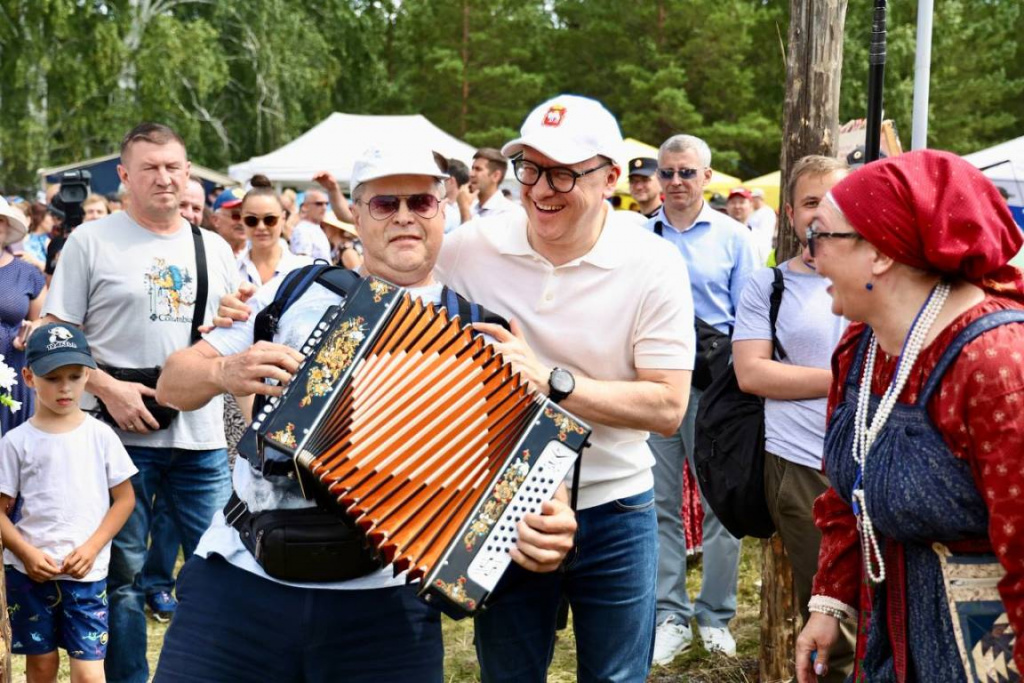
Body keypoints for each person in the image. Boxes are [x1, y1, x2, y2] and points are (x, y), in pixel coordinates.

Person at [150, 143, 577, 682]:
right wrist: (221, 373)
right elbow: (171, 383)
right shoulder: (293, 290)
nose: (404, 217)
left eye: (421, 202)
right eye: (384, 204)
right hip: (240, 581)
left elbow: (534, 472)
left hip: (386, 608)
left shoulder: (482, 333)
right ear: (354, 212)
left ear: (442, 210)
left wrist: (555, 521)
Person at [437, 94, 695, 683]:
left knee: (616, 677)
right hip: (506, 503)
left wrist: (552, 383)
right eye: (529, 168)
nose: (540, 188)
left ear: (609, 178)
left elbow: (667, 407)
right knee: (508, 672)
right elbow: (395, 278)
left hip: (617, 503)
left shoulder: (652, 263)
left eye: (562, 173)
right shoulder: (469, 250)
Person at [794, 150, 1024, 682]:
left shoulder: (995, 365)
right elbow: (850, 496)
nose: (811, 257)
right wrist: (830, 602)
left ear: (879, 252)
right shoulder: (862, 347)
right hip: (891, 646)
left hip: (987, 659)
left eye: (820, 236)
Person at [41, 122, 238, 683]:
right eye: (150, 167)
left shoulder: (215, 246)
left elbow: (232, 335)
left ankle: (201, 672)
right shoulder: (90, 242)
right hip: (115, 440)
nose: (164, 177)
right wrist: (108, 388)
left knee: (217, 568)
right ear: (124, 176)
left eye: (174, 166)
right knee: (121, 576)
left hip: (199, 440)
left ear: (189, 173)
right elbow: (56, 332)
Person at [731, 155, 854, 682]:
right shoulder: (769, 286)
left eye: (835, 201)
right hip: (802, 467)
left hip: (874, 462)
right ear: (788, 213)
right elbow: (752, 374)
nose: (822, 213)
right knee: (830, 616)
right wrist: (843, 380)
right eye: (810, 202)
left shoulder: (876, 272)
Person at [644, 134, 758, 664]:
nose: (675, 183)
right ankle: (670, 613)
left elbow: (751, 323)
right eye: (667, 173)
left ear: (707, 178)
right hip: (652, 387)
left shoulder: (736, 239)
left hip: (715, 390)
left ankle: (715, 615)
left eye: (686, 172)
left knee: (720, 506)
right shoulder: (641, 239)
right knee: (659, 504)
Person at [0, 323, 137, 683]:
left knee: (90, 674)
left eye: (75, 376)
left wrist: (92, 548)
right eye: (52, 377)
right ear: (29, 377)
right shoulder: (15, 442)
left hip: (86, 575)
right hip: (30, 574)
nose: (65, 387)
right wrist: (26, 553)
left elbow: (124, 499)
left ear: (88, 376)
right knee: (41, 667)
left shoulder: (101, 435)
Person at [0, 198, 47, 435]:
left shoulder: (28, 274)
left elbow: (44, 322)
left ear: (7, 226)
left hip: (14, 375)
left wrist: (29, 334)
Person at [237, 176, 312, 286]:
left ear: (283, 218)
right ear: (241, 219)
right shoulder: (232, 270)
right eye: (251, 220)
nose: (261, 227)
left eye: (270, 219)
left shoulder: (305, 269)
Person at [458, 148, 520, 220]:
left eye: (478, 169)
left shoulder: (509, 213)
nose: (471, 174)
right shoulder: (472, 207)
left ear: (496, 176)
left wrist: (464, 210)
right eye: (472, 168)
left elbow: (468, 231)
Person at [289, 189, 332, 261]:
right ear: (305, 207)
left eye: (326, 204)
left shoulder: (315, 228)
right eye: (319, 204)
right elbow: (303, 263)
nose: (324, 208)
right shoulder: (302, 230)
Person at [209, 187, 246, 258]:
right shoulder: (204, 252)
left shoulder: (260, 257)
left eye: (248, 217)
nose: (242, 222)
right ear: (215, 220)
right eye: (236, 215)